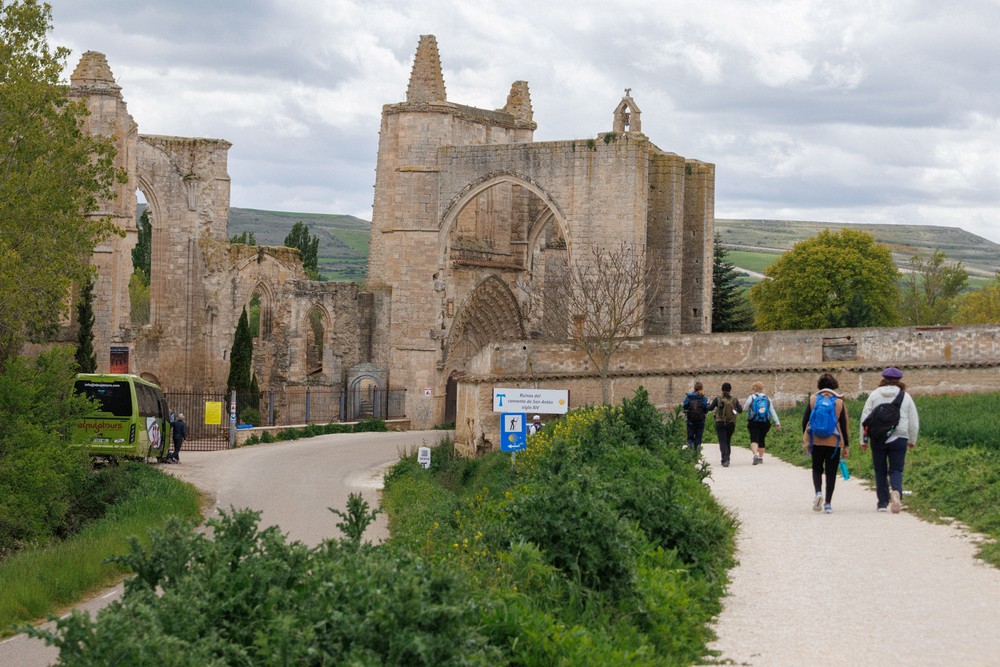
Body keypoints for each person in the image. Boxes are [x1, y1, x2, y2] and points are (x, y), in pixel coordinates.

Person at [860, 367, 919, 513]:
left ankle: (882, 503)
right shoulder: (905, 396)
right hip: (900, 436)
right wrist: (912, 439)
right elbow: (913, 420)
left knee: (880, 470)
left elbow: (865, 418)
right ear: (899, 381)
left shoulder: (874, 395)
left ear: (883, 379)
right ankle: (897, 492)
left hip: (878, 438)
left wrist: (863, 440)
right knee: (896, 469)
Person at [801, 373, 850, 513]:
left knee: (816, 468)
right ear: (834, 385)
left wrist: (807, 440)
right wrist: (846, 445)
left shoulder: (813, 399)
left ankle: (818, 493)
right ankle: (828, 503)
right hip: (834, 443)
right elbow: (844, 425)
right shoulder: (839, 402)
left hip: (816, 440)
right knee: (831, 472)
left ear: (819, 386)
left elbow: (805, 422)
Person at [744, 381, 781, 464]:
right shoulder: (767, 398)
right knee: (762, 438)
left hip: (753, 421)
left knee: (754, 438)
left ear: (754, 388)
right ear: (762, 388)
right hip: (765, 421)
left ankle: (755, 456)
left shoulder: (751, 397)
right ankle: (760, 457)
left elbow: (745, 408)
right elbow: (772, 411)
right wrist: (777, 422)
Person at [708, 382, 742, 467]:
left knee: (722, 441)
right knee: (727, 441)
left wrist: (708, 403)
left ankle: (725, 459)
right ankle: (727, 459)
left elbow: (710, 408)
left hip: (720, 422)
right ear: (730, 389)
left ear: (722, 389)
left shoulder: (718, 398)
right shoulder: (734, 399)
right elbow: (740, 410)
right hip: (731, 423)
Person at [682, 381, 710, 451]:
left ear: (694, 388)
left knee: (690, 437)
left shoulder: (689, 397)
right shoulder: (703, 398)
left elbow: (684, 407)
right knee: (698, 437)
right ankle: (696, 453)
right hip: (701, 421)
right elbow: (706, 409)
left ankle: (690, 453)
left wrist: (686, 413)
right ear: (702, 388)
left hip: (690, 420)